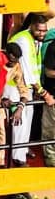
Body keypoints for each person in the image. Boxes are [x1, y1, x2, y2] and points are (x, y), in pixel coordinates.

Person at [8, 14, 54, 165]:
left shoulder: (34, 40)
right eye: (39, 30)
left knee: (29, 117)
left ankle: (23, 148)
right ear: (32, 27)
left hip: (28, 87)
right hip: (15, 87)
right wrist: (43, 93)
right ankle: (18, 157)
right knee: (21, 121)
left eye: (44, 30)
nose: (43, 33)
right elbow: (28, 71)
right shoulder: (24, 40)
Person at [0, 41, 30, 168]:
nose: (13, 63)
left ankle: (18, 157)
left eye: (16, 61)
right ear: (5, 54)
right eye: (11, 60)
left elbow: (23, 89)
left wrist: (20, 108)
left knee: (21, 121)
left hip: (10, 97)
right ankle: (0, 162)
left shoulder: (16, 65)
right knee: (0, 129)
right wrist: (1, 98)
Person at [41, 25, 55, 166]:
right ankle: (50, 158)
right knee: (50, 129)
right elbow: (48, 72)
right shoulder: (53, 47)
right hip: (53, 95)